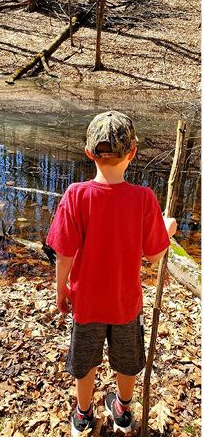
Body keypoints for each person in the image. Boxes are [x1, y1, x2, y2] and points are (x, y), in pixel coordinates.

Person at [46, 111, 176, 436]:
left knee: (85, 362)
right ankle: (122, 410)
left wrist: (60, 291)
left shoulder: (76, 195)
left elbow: (64, 253)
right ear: (132, 152)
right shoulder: (144, 198)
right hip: (125, 305)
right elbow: (156, 254)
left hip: (86, 304)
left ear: (89, 152)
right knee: (129, 361)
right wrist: (167, 229)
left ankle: (83, 413)